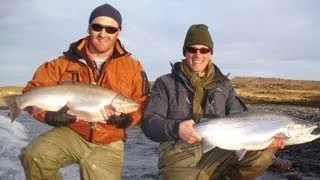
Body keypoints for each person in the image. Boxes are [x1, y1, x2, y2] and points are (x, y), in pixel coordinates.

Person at [19, 3, 150, 180]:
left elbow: (141, 102)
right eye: (97, 27)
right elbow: (32, 92)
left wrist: (127, 120)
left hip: (109, 139)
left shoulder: (133, 67)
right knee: (34, 156)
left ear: (118, 32)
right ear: (88, 28)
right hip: (71, 131)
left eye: (110, 29)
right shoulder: (62, 63)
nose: (103, 34)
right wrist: (48, 116)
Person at [141, 24, 285, 180]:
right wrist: (177, 129)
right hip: (179, 154)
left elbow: (241, 116)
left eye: (204, 50)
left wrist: (265, 140)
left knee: (262, 155)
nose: (198, 55)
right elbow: (149, 122)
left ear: (211, 54)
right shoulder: (165, 83)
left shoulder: (224, 84)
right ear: (185, 52)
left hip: (220, 150)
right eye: (192, 49)